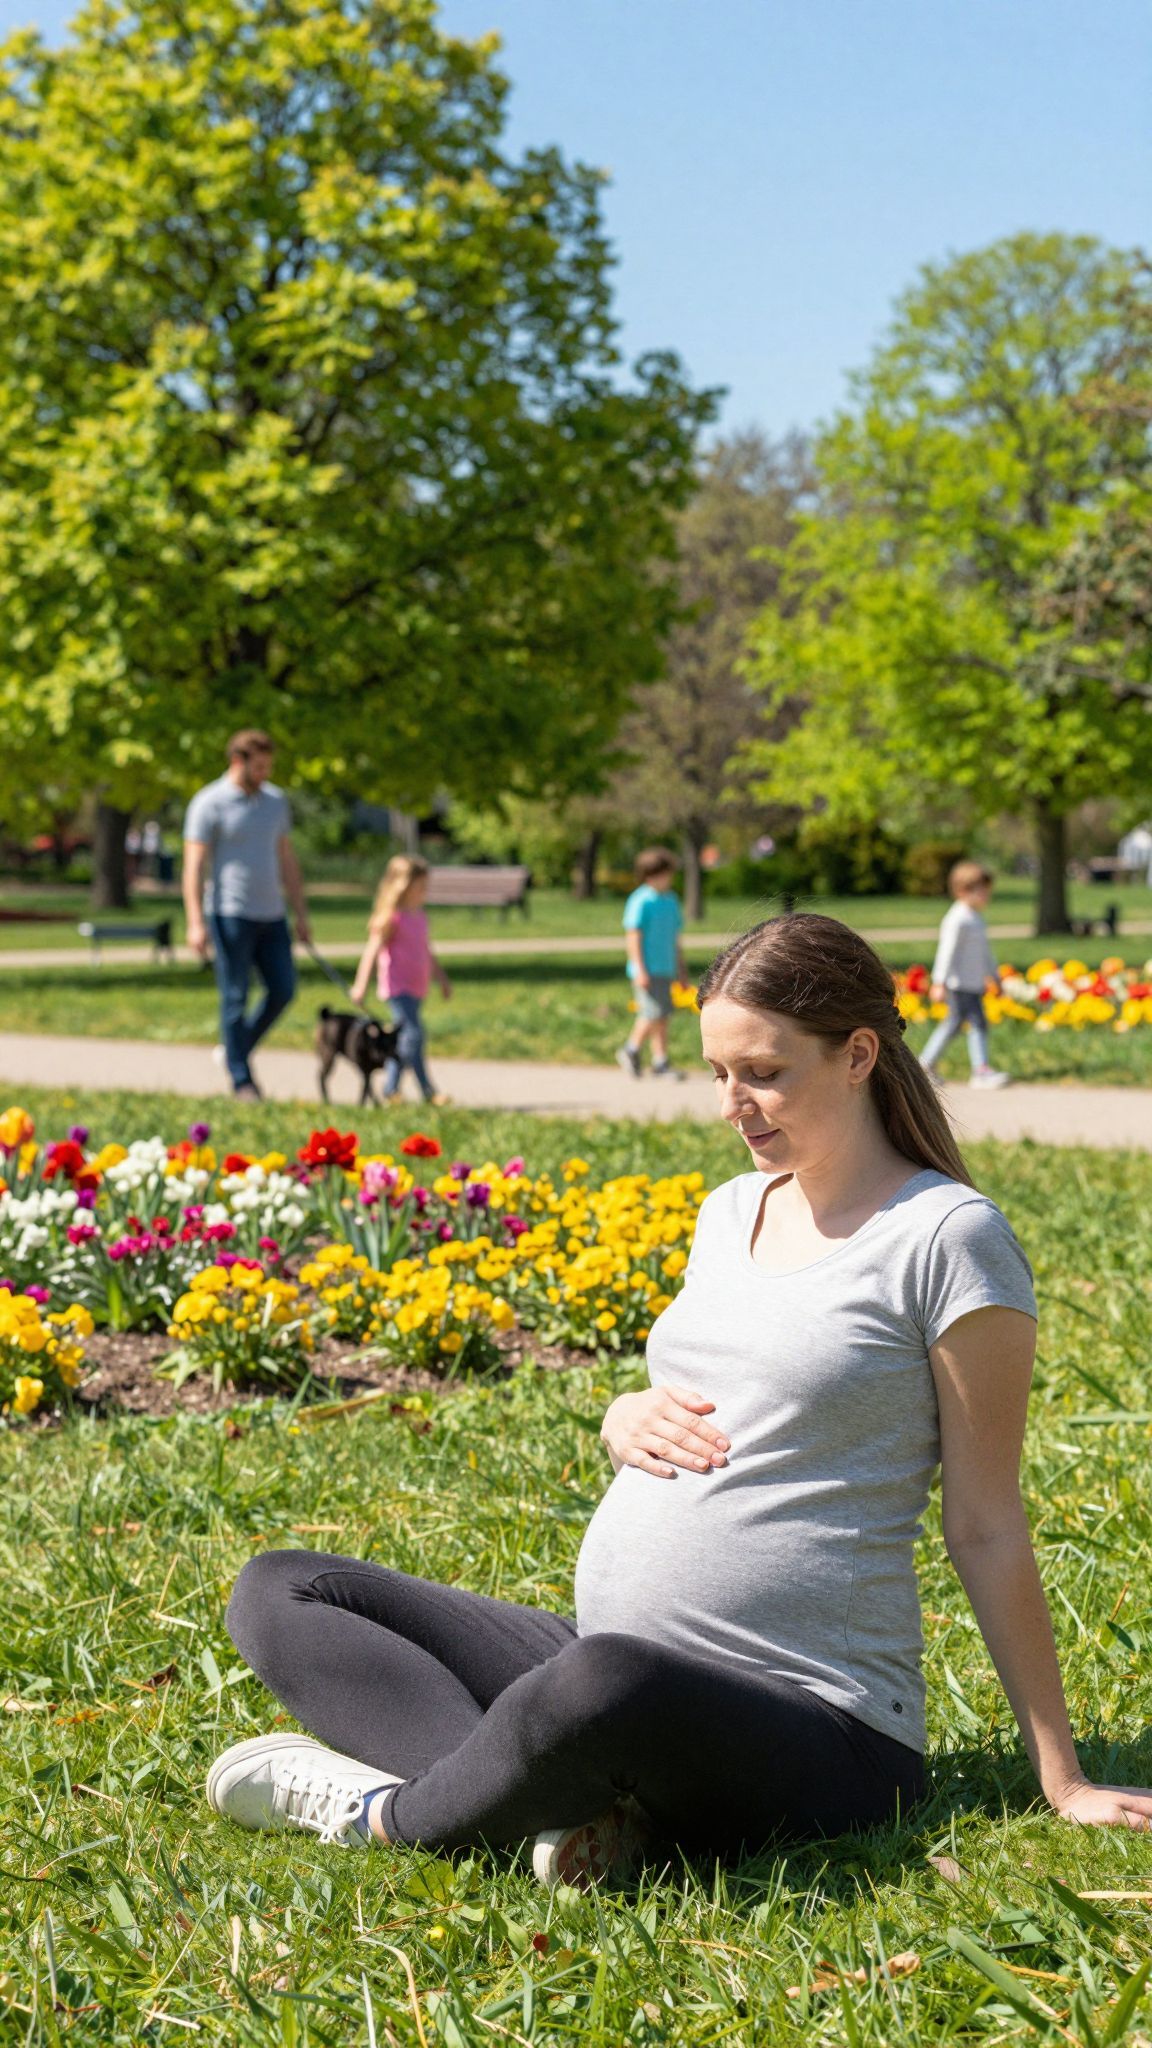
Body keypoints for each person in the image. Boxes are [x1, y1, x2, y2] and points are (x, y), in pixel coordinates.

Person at [205, 913, 1152, 1887]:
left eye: (764, 1071)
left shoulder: (948, 1238)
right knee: (282, 1589)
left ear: (859, 1052)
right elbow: (708, 1390)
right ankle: (551, 1792)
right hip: (625, 1661)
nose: (734, 1102)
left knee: (599, 1684)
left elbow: (987, 1522)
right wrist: (623, 1413)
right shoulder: (732, 1208)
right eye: (716, 1073)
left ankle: (391, 1814)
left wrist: (1063, 1774)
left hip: (820, 1721)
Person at [183, 731, 311, 1102]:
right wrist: (195, 921)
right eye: (259, 766)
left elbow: (287, 858)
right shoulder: (209, 802)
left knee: (283, 989)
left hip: (272, 914)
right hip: (229, 913)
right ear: (238, 761)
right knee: (235, 996)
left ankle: (235, 1050)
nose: (265, 773)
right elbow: (193, 866)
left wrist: (300, 912)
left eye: (269, 766)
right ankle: (243, 1080)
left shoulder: (275, 802)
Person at [349, 854, 451, 1105]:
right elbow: (372, 950)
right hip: (398, 987)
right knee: (412, 1036)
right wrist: (361, 984)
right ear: (403, 886)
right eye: (421, 887)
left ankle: (423, 1091)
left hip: (417, 988)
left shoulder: (419, 916)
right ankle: (395, 1087)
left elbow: (426, 950)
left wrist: (441, 978)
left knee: (412, 1039)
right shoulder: (392, 918)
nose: (424, 892)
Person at [920, 859, 1009, 1090]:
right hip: (959, 984)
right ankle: (980, 1071)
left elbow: (985, 953)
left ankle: (925, 1065)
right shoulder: (957, 919)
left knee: (954, 1024)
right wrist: (939, 982)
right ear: (962, 891)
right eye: (982, 892)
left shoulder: (975, 918)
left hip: (973, 983)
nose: (986, 896)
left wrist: (994, 976)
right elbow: (946, 952)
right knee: (975, 1024)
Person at [616, 847, 690, 1080]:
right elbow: (633, 937)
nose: (669, 878)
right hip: (647, 969)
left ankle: (660, 1061)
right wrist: (639, 968)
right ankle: (631, 1049)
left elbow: (675, 939)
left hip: (665, 967)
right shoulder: (641, 900)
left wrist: (681, 970)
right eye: (665, 874)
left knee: (663, 1014)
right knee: (652, 1013)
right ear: (650, 875)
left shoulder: (671, 900)